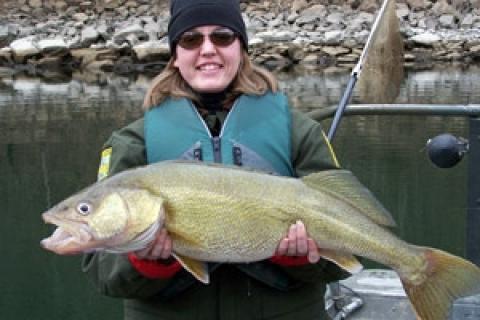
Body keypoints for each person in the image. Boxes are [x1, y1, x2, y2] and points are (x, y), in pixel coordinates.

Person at [82, 0, 349, 319]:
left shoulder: (302, 134)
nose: (207, 49)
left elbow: (344, 258)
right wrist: (144, 261)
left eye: (222, 37)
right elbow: (102, 271)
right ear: (175, 55)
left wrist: (304, 258)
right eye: (191, 39)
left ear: (242, 48)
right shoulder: (131, 143)